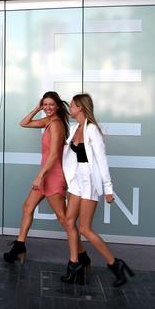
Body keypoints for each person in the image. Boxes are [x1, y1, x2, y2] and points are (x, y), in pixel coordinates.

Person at [3, 91, 90, 281]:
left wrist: (39, 176)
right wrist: (37, 108)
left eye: (51, 104)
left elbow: (53, 156)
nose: (48, 107)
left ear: (58, 106)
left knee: (64, 219)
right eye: (45, 104)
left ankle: (81, 258)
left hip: (53, 175)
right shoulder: (48, 121)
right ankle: (19, 246)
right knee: (28, 207)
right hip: (45, 175)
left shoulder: (57, 125)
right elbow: (23, 123)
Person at [62, 93, 134, 287]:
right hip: (76, 181)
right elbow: (71, 158)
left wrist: (108, 188)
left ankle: (115, 264)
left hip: (89, 183)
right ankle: (74, 264)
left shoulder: (92, 130)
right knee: (69, 221)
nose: (70, 108)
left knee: (85, 228)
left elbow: (102, 160)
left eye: (72, 105)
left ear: (80, 107)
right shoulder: (75, 127)